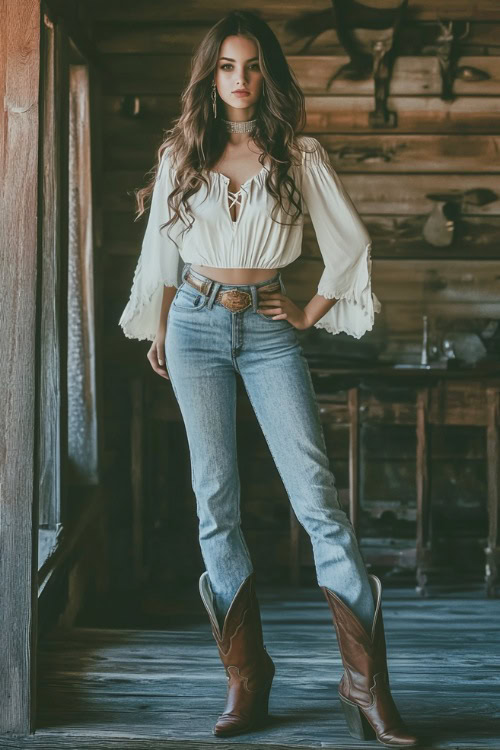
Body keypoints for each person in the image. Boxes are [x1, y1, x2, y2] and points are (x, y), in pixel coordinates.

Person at [119, 10, 418, 748]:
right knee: (214, 499)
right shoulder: (182, 152)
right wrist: (158, 327)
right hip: (192, 322)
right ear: (210, 75)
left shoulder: (297, 151)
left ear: (267, 74)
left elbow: (350, 241)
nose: (241, 79)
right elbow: (161, 253)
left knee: (316, 498)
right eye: (227, 66)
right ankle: (246, 680)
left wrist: (309, 311)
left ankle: (364, 685)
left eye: (252, 66)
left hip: (267, 327)